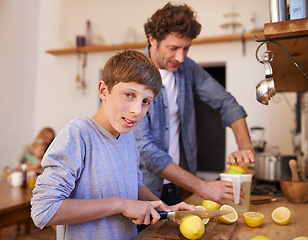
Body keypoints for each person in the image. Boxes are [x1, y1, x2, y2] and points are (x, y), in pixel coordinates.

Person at [31, 50, 195, 240]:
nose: (136, 111)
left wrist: (164, 208)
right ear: (103, 91)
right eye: (129, 95)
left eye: (145, 102)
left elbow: (135, 184)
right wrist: (122, 204)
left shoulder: (128, 137)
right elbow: (44, 210)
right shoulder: (78, 134)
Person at [132, 2, 256, 206]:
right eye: (173, 48)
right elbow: (145, 150)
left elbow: (225, 101)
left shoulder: (187, 68)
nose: (180, 57)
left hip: (178, 188)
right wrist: (202, 186)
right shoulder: (134, 74)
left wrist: (245, 147)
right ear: (152, 39)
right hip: (142, 192)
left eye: (186, 48)